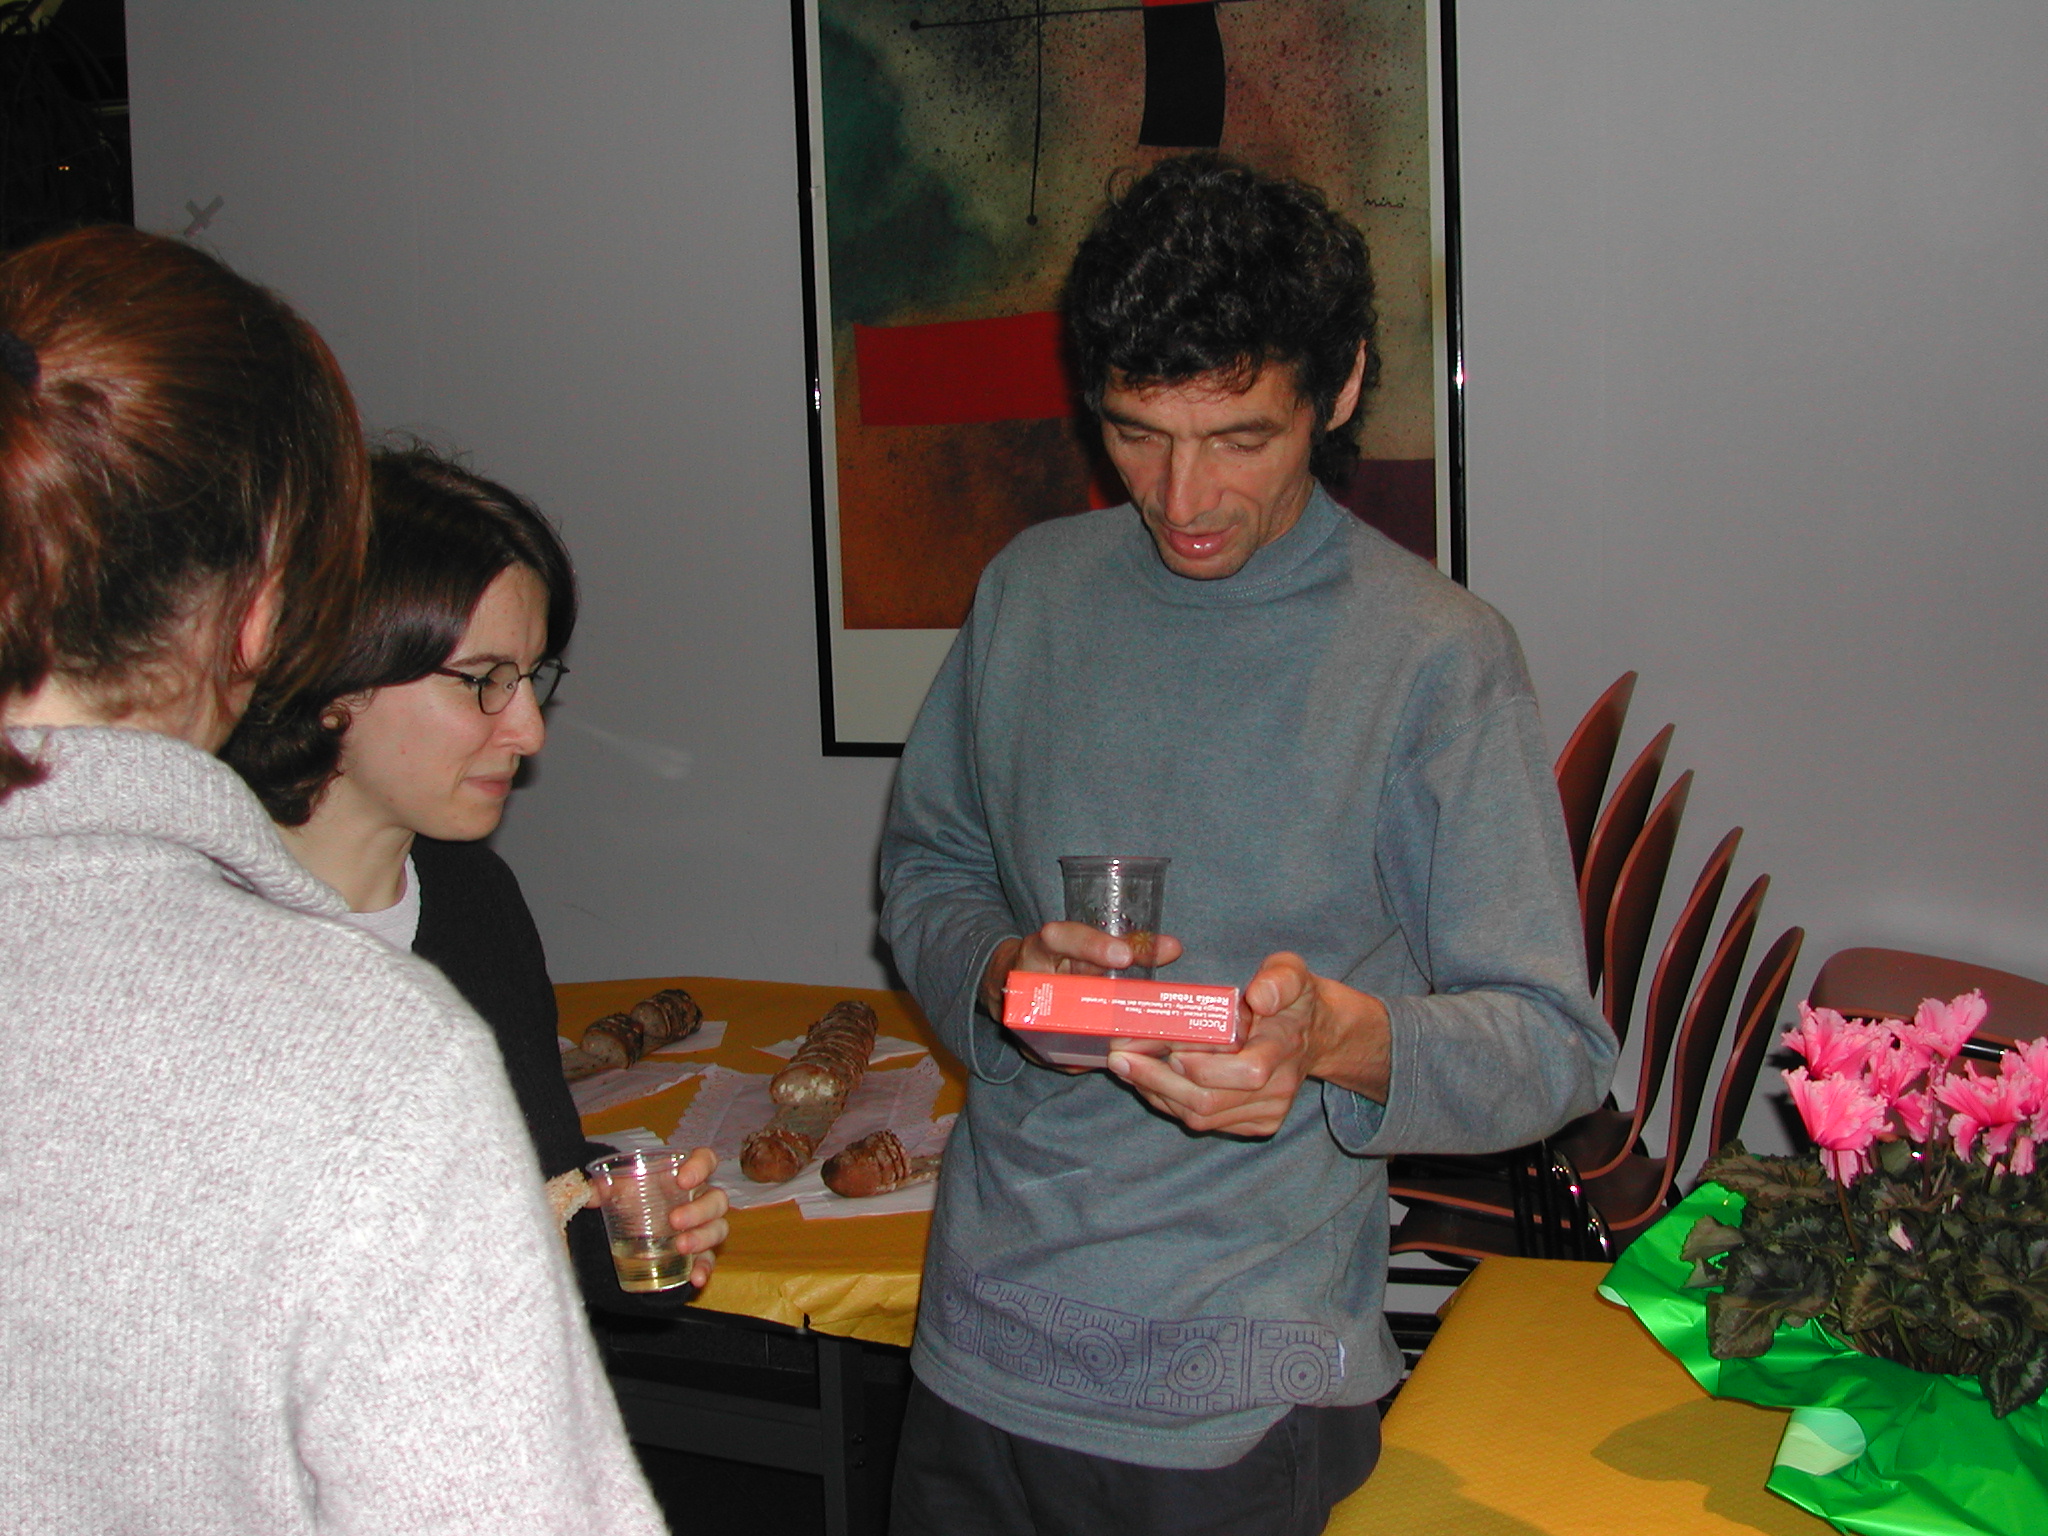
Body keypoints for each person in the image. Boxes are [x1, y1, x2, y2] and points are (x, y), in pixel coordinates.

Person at [878, 155, 1617, 1534]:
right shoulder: (1029, 594)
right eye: (1135, 432)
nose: (1181, 496)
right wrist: (1000, 976)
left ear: (1337, 390)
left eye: (1239, 438)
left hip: (1244, 1398)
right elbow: (928, 869)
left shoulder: (1434, 660)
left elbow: (1553, 1047)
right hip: (977, 1352)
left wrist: (1336, 1038)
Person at [0, 227, 665, 1534]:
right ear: (275, 616)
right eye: (481, 680)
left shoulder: (451, 935)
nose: (527, 728)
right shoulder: (362, 1051)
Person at [221, 445, 728, 1308]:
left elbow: (527, 1188)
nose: (529, 729)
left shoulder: (472, 899)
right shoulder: (207, 935)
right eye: (483, 681)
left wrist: (618, 1229)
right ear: (332, 672)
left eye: (530, 678)